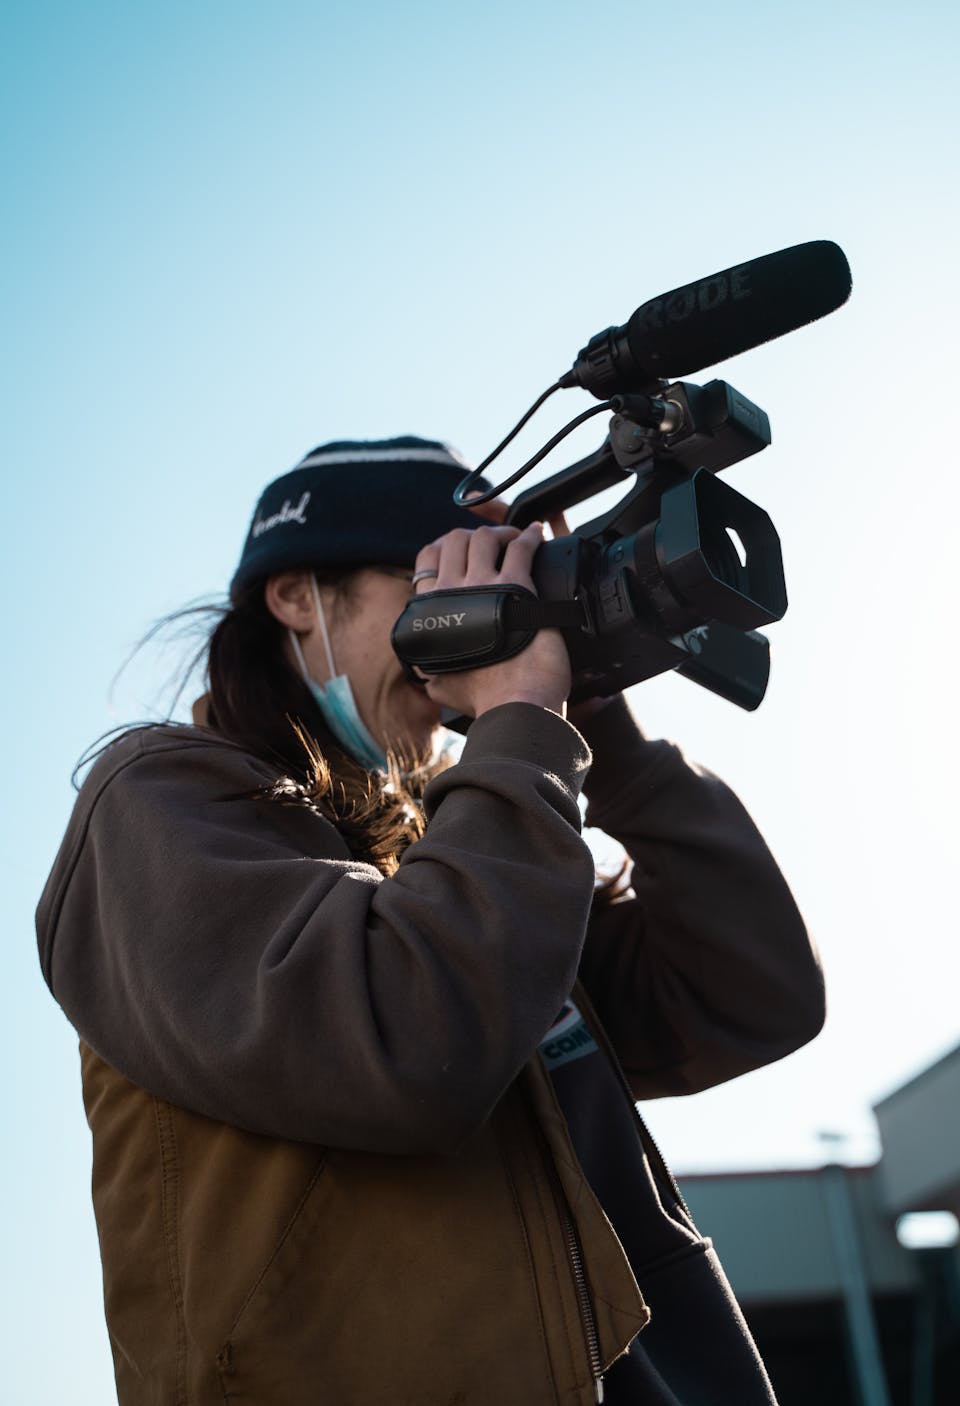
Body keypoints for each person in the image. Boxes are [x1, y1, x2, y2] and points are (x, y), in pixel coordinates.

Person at [37, 436, 825, 1405]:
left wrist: (594, 723)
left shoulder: (473, 848)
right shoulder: (159, 803)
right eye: (432, 581)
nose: (471, 619)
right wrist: (523, 731)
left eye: (498, 584)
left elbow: (750, 995)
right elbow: (411, 1043)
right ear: (297, 597)